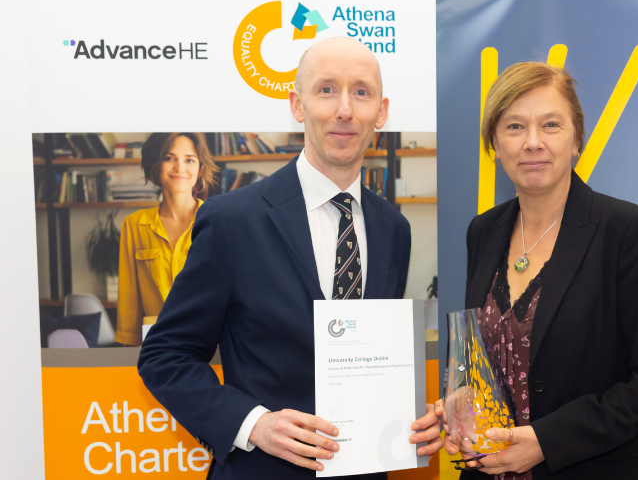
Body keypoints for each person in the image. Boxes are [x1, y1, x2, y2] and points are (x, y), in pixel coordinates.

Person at [138, 38, 443, 479]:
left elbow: (372, 357)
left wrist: (412, 423)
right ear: (297, 105)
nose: (344, 109)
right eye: (326, 90)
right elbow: (164, 355)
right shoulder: (231, 221)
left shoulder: (393, 229)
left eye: (361, 92)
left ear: (381, 111)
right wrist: (254, 424)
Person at [442, 62, 638, 479]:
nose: (532, 142)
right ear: (494, 144)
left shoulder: (624, 230)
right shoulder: (483, 231)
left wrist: (547, 441)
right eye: (515, 127)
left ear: (577, 139)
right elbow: (482, 354)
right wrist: (461, 400)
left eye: (551, 125)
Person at [115, 132, 218, 346]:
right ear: (155, 164)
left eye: (189, 160)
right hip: (155, 345)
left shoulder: (218, 222)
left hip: (209, 343)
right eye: (169, 158)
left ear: (200, 169)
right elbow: (129, 298)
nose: (179, 167)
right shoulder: (134, 225)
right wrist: (129, 348)